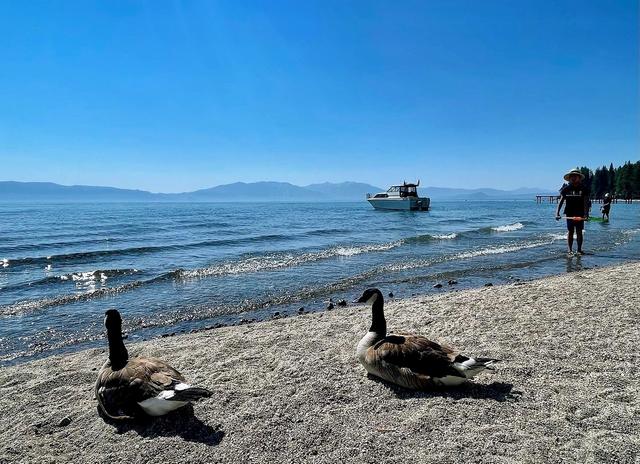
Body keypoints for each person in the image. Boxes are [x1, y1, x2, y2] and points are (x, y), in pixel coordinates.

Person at [555, 168, 590, 255]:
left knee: (579, 231)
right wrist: (557, 213)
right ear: (569, 178)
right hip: (569, 213)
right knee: (570, 231)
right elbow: (561, 201)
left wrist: (586, 214)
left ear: (579, 178)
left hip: (580, 213)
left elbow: (586, 203)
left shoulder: (584, 189)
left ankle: (579, 250)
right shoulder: (566, 189)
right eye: (572, 176)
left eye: (575, 176)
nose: (573, 178)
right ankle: (569, 250)